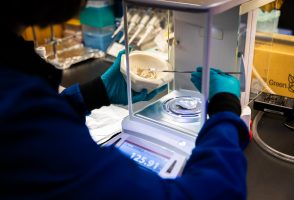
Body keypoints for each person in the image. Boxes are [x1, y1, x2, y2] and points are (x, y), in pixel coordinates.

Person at [0, 0, 249, 199]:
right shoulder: (19, 112)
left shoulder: (14, 85)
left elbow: (38, 128)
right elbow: (217, 191)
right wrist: (225, 110)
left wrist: (95, 93)